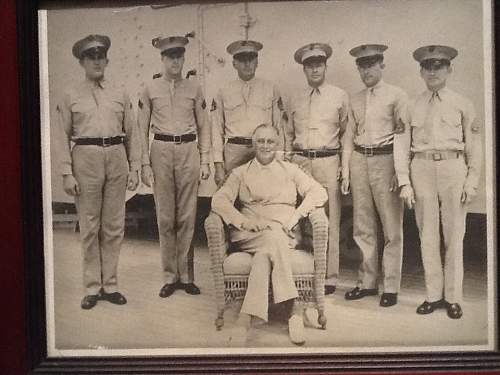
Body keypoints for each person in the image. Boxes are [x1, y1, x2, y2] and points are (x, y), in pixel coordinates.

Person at [211, 124, 328, 346]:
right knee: (272, 238)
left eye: (270, 141)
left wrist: (295, 218)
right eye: (261, 141)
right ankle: (293, 310)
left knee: (267, 250)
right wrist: (244, 221)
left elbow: (318, 192)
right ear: (254, 144)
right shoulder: (241, 172)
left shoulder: (290, 170)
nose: (265, 146)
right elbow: (219, 200)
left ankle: (245, 319)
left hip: (284, 233)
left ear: (277, 144)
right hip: (249, 234)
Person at [53, 34, 141, 310]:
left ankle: (111, 285)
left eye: (101, 56)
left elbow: (133, 133)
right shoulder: (70, 95)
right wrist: (67, 172)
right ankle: (92, 286)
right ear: (82, 62)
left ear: (107, 59)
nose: (97, 61)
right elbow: (60, 136)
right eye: (91, 57)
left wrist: (135, 167)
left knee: (113, 227)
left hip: (116, 157)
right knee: (90, 227)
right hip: (85, 158)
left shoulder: (120, 93)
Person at [399, 45, 482, 319]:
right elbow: (401, 146)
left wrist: (471, 181)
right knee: (427, 235)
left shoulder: (463, 103)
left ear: (449, 69)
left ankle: (453, 298)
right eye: (428, 67)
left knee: (455, 235)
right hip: (421, 168)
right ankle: (433, 295)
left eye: (439, 66)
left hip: (453, 168)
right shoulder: (411, 105)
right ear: (421, 71)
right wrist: (404, 182)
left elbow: (474, 147)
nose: (433, 71)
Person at [137, 36, 211, 298]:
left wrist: (205, 159)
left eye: (179, 56)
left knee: (187, 215)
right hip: (161, 151)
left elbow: (204, 125)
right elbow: (140, 128)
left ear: (183, 58)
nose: (175, 61)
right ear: (162, 58)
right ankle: (169, 276)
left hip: (188, 150)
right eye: (170, 56)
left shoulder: (194, 88)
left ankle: (187, 276)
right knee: (166, 216)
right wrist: (144, 164)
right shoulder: (150, 88)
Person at [341, 44, 410, 307]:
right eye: (362, 65)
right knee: (363, 225)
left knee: (392, 228)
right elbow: (348, 136)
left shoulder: (397, 95)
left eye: (372, 64)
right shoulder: (355, 98)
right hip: (360, 160)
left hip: (386, 160)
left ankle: (390, 287)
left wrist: (399, 171)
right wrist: (346, 169)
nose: (367, 69)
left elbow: (403, 137)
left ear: (382, 65)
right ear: (358, 68)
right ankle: (367, 282)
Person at [283, 42, 349, 295]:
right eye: (309, 65)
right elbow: (288, 134)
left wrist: (343, 167)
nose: (315, 69)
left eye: (319, 64)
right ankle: (304, 272)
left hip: (328, 161)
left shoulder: (339, 96)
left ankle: (328, 277)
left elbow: (346, 135)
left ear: (325, 66)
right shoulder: (295, 98)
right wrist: (289, 165)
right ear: (304, 69)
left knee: (329, 219)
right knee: (302, 218)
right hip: (300, 163)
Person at [211, 40, 283, 186]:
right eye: (242, 60)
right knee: (232, 195)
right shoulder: (223, 91)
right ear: (234, 64)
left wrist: (280, 159)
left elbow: (279, 127)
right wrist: (218, 164)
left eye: (251, 59)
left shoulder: (270, 88)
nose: (247, 64)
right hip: (234, 152)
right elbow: (216, 129)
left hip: (263, 150)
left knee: (263, 193)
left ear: (257, 62)